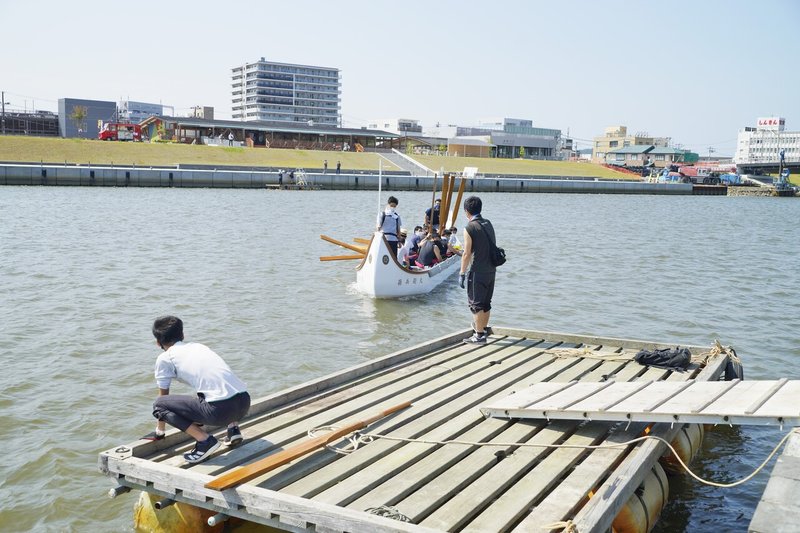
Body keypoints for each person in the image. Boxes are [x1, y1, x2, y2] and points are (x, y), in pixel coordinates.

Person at [144, 316, 251, 464]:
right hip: (244, 403)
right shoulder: (199, 347)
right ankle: (233, 430)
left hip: (221, 412)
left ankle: (205, 441)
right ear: (182, 335)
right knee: (211, 388)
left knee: (159, 404)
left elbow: (163, 398)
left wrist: (160, 432)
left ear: (157, 342)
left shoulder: (165, 358)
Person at [459, 196, 497, 345]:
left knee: (475, 304)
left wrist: (462, 273)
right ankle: (483, 330)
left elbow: (467, 253)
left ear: (466, 211)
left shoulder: (469, 227)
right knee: (486, 303)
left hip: (477, 271)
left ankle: (479, 335)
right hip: (491, 270)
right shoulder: (488, 223)